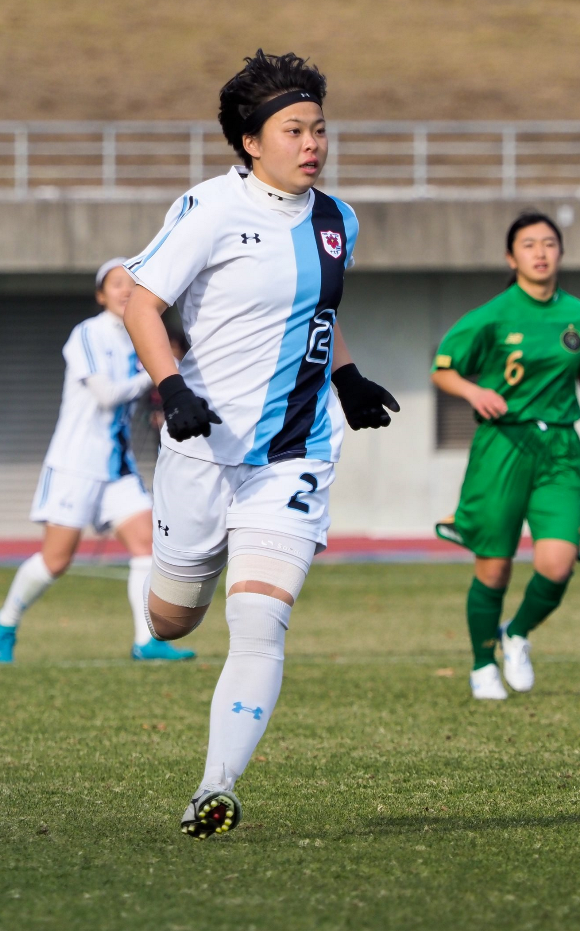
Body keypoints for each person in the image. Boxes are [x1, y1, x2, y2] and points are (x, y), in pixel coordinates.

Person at [122, 50, 398, 838]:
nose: (312, 143)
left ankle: (217, 785)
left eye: (319, 128)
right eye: (293, 130)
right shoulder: (210, 209)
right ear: (251, 141)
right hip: (202, 449)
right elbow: (144, 304)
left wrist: (345, 378)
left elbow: (318, 312)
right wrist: (173, 389)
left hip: (296, 453)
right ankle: (172, 594)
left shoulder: (338, 220)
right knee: (172, 621)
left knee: (260, 618)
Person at [431, 211, 580, 701]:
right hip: (503, 445)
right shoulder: (492, 315)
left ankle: (516, 633)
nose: (540, 252)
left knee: (557, 564)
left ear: (561, 253)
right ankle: (483, 665)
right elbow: (443, 369)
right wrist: (473, 392)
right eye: (529, 245)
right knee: (495, 568)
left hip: (561, 447)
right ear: (511, 257)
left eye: (549, 243)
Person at [0, 259, 195, 665]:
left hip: (117, 467)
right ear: (100, 294)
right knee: (56, 560)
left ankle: (146, 641)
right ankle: (7, 621)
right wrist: (161, 375)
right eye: (116, 284)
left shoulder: (140, 337)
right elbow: (105, 394)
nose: (124, 291)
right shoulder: (87, 333)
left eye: (132, 284)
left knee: (146, 546)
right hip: (74, 465)